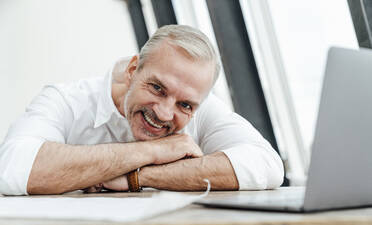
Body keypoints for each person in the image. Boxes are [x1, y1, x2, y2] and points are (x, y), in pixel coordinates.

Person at [0, 25, 283, 195]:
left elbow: (267, 165)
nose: (163, 113)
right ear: (133, 70)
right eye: (158, 88)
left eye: (185, 105)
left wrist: (136, 177)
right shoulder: (65, 100)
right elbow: (12, 168)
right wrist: (154, 152)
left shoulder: (200, 107)